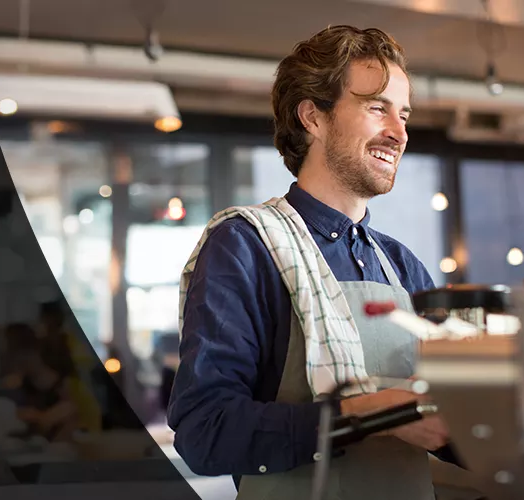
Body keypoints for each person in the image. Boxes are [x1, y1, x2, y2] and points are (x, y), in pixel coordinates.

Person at [168, 26, 451, 500]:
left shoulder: (403, 266)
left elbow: (450, 419)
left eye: (403, 114)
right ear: (312, 117)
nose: (399, 133)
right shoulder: (244, 246)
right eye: (377, 107)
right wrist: (371, 414)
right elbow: (205, 431)